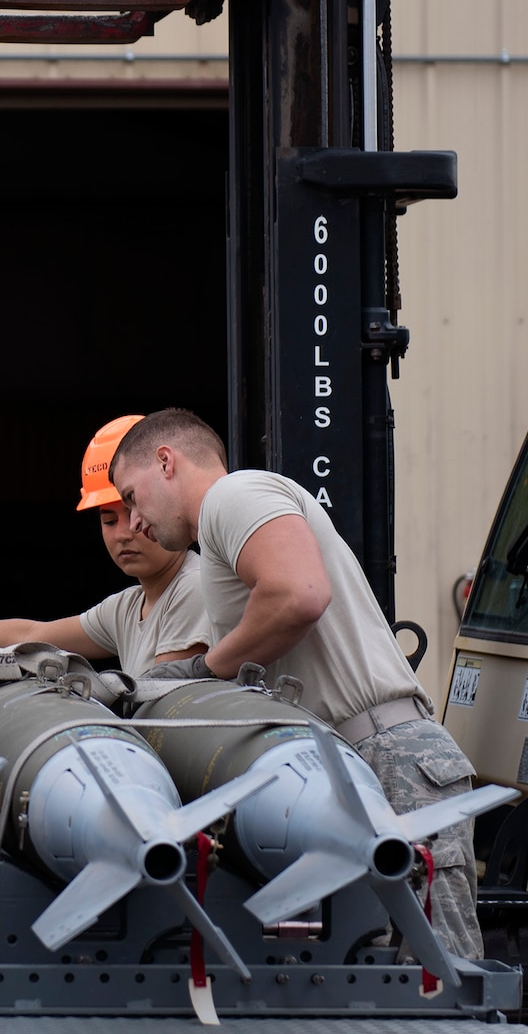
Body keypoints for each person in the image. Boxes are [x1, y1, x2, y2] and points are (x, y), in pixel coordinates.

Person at [108, 407, 483, 960]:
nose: (133, 521)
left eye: (132, 497)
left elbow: (299, 595)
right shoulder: (223, 530)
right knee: (381, 982)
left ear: (166, 462)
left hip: (387, 759)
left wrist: (206, 668)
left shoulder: (232, 498)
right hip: (352, 766)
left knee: (440, 979)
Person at [0, 415, 211, 675]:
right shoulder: (127, 607)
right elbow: (31, 632)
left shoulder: (193, 588)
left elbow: (159, 703)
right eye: (109, 520)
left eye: (134, 508)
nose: (125, 531)